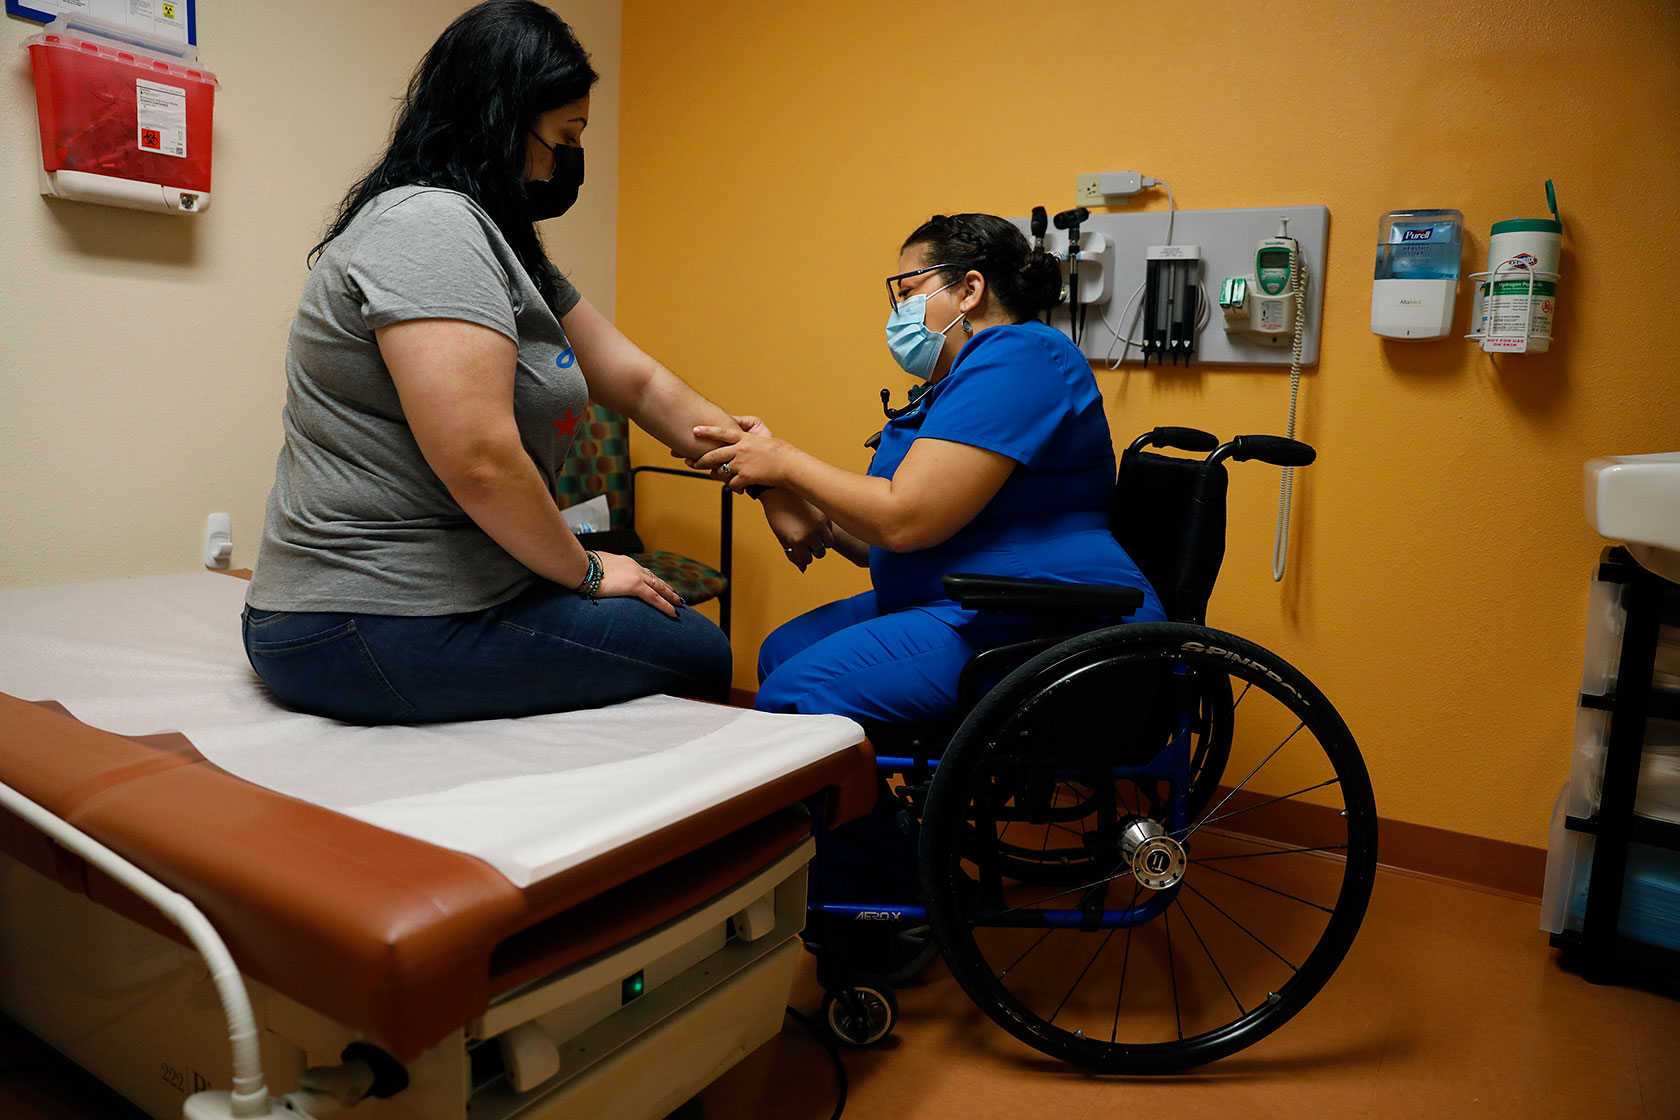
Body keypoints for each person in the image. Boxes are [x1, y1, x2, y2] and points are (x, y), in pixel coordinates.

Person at [242, 0, 826, 724]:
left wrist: (767, 476)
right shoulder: (428, 227)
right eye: (563, 136)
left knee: (678, 636)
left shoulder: (497, 244)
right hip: (363, 615)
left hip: (416, 600)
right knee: (698, 650)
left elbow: (638, 382)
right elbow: (480, 456)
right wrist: (584, 571)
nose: (565, 161)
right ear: (500, 120)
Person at [688, 213, 1166, 727]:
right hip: (972, 601)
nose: (900, 312)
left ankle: (879, 812)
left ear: (969, 290)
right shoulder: (958, 382)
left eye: (910, 290)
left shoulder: (1022, 356)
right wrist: (777, 483)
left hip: (1048, 616)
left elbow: (903, 518)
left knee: (795, 693)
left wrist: (785, 461)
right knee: (781, 652)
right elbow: (883, 536)